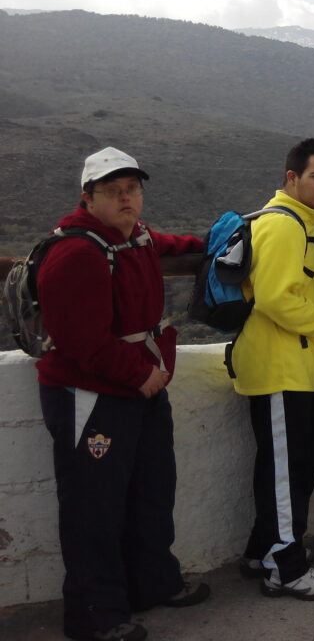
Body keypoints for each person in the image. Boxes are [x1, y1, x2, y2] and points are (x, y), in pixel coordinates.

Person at [36, 147, 210, 641]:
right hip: (92, 393)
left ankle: (152, 583)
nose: (126, 198)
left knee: (152, 489)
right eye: (114, 191)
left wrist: (214, 242)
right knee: (94, 505)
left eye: (132, 189)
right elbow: (78, 340)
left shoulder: (137, 238)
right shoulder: (75, 252)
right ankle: (95, 614)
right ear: (87, 198)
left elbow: (173, 244)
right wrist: (139, 375)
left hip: (139, 385)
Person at [232, 138, 314, 600]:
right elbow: (276, 299)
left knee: (288, 467)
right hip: (280, 368)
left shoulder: (301, 223)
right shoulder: (284, 227)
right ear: (292, 178)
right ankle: (286, 568)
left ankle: (260, 552)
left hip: (292, 366)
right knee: (288, 471)